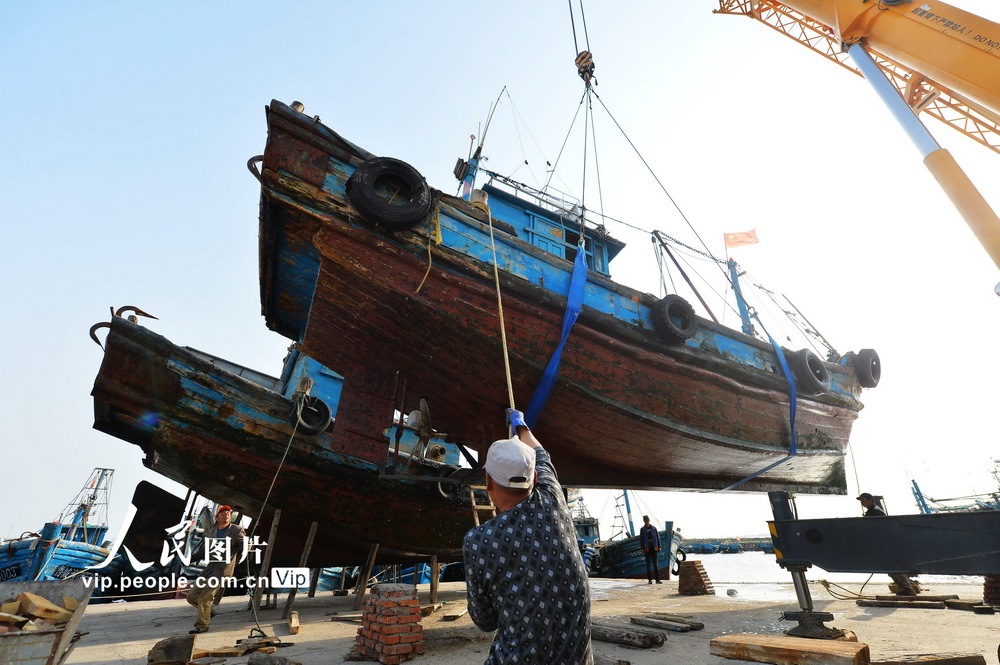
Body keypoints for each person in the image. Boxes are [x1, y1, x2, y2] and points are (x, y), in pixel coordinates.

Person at [463, 409, 593, 664]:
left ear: (488, 481)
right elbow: (542, 454)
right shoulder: (553, 499)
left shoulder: (479, 541)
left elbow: (485, 621)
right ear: (534, 477)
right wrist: (522, 426)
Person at [186, 504, 246, 633]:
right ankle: (209, 612)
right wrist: (188, 559)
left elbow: (244, 545)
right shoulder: (211, 532)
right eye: (223, 513)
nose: (226, 514)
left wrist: (244, 552)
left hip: (222, 571)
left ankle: (202, 625)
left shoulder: (236, 530)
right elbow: (203, 551)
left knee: (205, 598)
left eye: (228, 513)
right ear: (216, 517)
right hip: (209, 569)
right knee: (192, 596)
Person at [857, 493, 916, 596]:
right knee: (891, 567)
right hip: (884, 543)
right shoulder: (872, 511)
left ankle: (907, 589)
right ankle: (904, 588)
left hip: (886, 543)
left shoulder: (875, 512)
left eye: (863, 500)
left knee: (893, 567)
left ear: (870, 500)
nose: (862, 502)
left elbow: (881, 529)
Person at [639, 515, 662, 584]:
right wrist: (643, 548)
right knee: (648, 565)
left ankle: (657, 580)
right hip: (647, 549)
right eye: (645, 520)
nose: (646, 521)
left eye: (647, 519)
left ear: (649, 520)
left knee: (655, 564)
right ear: (644, 521)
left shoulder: (654, 529)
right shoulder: (642, 530)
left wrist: (659, 546)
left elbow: (658, 538)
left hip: (654, 548)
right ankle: (650, 580)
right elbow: (641, 540)